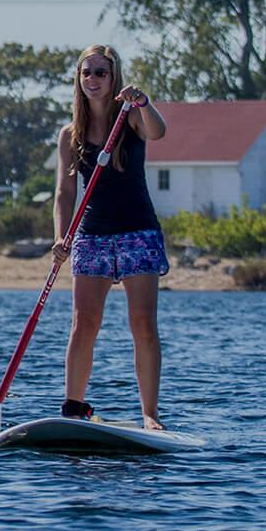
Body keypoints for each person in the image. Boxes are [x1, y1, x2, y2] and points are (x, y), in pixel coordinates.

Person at [53, 44, 171, 431]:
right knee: (83, 322)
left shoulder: (131, 118)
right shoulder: (71, 133)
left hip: (138, 232)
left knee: (142, 323)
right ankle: (74, 406)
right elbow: (64, 193)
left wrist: (143, 103)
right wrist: (60, 237)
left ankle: (150, 415)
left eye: (101, 73)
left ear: (114, 76)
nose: (93, 79)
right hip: (93, 236)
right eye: (87, 73)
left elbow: (159, 131)